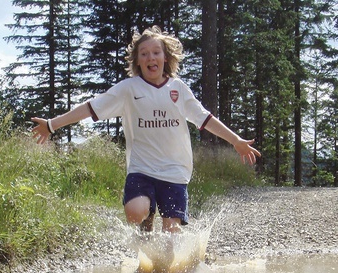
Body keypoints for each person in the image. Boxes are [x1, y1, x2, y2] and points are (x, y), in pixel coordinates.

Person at [32, 26, 261, 233]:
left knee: (171, 233)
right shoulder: (128, 89)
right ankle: (147, 220)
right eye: (144, 54)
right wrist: (52, 125)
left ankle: (179, 261)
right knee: (135, 213)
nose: (150, 57)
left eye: (156, 52)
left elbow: (204, 118)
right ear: (137, 61)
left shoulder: (178, 89)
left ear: (165, 57)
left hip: (175, 170)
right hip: (142, 168)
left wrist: (235, 140)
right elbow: (90, 107)